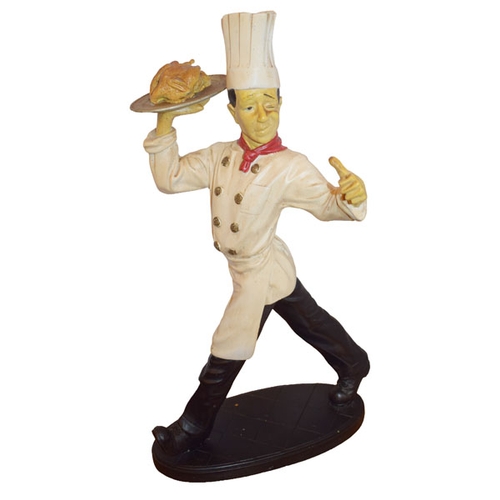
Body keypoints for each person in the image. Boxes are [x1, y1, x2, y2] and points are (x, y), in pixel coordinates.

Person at [143, 11, 369, 456]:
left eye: (270, 103)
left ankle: (192, 427)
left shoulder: (291, 167)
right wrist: (166, 120)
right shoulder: (218, 156)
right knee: (312, 322)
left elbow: (328, 206)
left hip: (259, 270)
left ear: (282, 103)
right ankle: (355, 362)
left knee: (226, 350)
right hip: (262, 270)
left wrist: (351, 196)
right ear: (231, 111)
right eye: (249, 106)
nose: (262, 115)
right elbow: (169, 178)